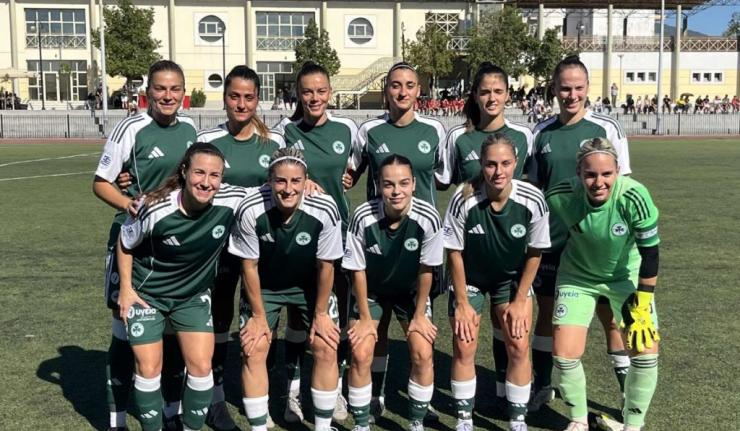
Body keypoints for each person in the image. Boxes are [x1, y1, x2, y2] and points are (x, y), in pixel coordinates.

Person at [93, 59, 197, 431]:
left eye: (174, 89)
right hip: (132, 245)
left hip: (174, 247)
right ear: (147, 92)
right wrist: (129, 204)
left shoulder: (190, 129)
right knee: (124, 333)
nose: (167, 95)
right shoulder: (130, 127)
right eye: (160, 88)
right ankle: (117, 419)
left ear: (183, 93)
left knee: (172, 335)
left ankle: (170, 412)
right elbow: (101, 182)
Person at [117, 142, 249, 431]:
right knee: (148, 369)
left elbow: (274, 190)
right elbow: (125, 242)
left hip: (192, 296)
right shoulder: (154, 207)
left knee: (201, 367)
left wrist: (308, 183)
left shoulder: (233, 199)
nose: (206, 182)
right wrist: (126, 289)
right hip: (148, 297)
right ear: (184, 172)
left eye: (214, 175)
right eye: (199, 172)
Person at [527, 55, 632, 413]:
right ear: (553, 89)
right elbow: (536, 190)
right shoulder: (541, 133)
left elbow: (623, 187)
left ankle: (627, 394)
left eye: (578, 88)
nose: (571, 95)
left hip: (597, 245)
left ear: (588, 88)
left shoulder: (607, 128)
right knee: (547, 315)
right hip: (553, 243)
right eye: (565, 88)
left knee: (611, 319)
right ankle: (542, 385)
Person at [350, 61, 447, 422]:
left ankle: (420, 406)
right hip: (377, 244)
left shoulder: (435, 129)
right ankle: (374, 396)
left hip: (418, 245)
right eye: (395, 85)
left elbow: (445, 176)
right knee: (372, 336)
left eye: (409, 85)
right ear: (386, 90)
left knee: (421, 340)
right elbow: (349, 173)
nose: (402, 91)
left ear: (419, 90)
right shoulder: (369, 131)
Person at [546, 137, 661, 431]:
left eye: (607, 174)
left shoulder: (634, 196)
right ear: (578, 173)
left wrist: (643, 302)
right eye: (590, 174)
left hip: (626, 277)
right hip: (577, 277)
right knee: (564, 354)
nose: (599, 182)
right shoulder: (560, 196)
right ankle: (578, 420)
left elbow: (651, 254)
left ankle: (633, 425)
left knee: (645, 351)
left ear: (618, 170)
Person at [195, 65, 286, 430]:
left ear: (258, 99)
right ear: (225, 98)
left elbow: (292, 180)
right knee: (218, 319)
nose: (241, 104)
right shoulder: (208, 140)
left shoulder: (274, 142)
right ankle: (214, 397)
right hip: (218, 248)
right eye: (234, 96)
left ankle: (264, 391)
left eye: (249, 97)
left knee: (262, 319)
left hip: (262, 250)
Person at [228, 148, 344, 431]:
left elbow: (326, 266)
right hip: (265, 286)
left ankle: (323, 426)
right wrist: (258, 316)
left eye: (295, 181)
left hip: (309, 285)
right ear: (269, 181)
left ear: (306, 181)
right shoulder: (250, 208)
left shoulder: (325, 207)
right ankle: (258, 426)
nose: (288, 189)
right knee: (254, 347)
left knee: (326, 345)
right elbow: (249, 266)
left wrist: (321, 314)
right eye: (280, 180)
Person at [440, 62, 534, 408]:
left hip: (511, 251)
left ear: (508, 95)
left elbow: (530, 186)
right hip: (471, 253)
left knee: (509, 328)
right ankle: (473, 409)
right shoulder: (458, 137)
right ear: (475, 96)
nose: (491, 98)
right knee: (467, 336)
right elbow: (442, 182)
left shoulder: (524, 136)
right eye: (484, 92)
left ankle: (504, 395)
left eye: (498, 91)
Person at [273, 61, 358, 424]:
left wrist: (349, 177)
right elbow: (273, 170)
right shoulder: (284, 131)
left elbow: (357, 167)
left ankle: (333, 389)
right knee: (297, 315)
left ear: (330, 92)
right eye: (307, 91)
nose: (314, 97)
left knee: (336, 315)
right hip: (296, 238)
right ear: (297, 93)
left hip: (339, 235)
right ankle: (292, 392)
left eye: (321, 90)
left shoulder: (347, 129)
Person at [445, 135, 550, 431]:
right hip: (471, 280)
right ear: (481, 164)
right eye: (491, 164)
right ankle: (464, 419)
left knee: (518, 343)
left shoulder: (532, 198)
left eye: (505, 163)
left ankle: (517, 420)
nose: (498, 171)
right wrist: (462, 302)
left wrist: (520, 300)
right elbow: (453, 252)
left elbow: (535, 252)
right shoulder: (463, 198)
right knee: (464, 345)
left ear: (516, 163)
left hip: (511, 280)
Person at [343, 154, 443, 431]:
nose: (396, 191)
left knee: (423, 351)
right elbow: (357, 270)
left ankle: (416, 422)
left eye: (403, 183)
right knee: (361, 351)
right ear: (378, 185)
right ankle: (362, 421)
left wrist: (420, 314)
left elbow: (427, 270)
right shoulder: (362, 216)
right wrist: (365, 317)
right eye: (388, 184)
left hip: (410, 293)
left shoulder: (428, 217)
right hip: (372, 291)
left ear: (414, 185)